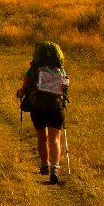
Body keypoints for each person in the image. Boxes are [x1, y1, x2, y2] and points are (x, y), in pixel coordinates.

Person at [16, 41, 70, 184]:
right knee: (55, 139)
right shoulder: (60, 69)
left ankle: (45, 164)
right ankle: (54, 168)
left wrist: (21, 93)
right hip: (55, 107)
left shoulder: (33, 69)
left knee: (42, 137)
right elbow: (65, 86)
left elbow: (24, 87)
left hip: (38, 106)